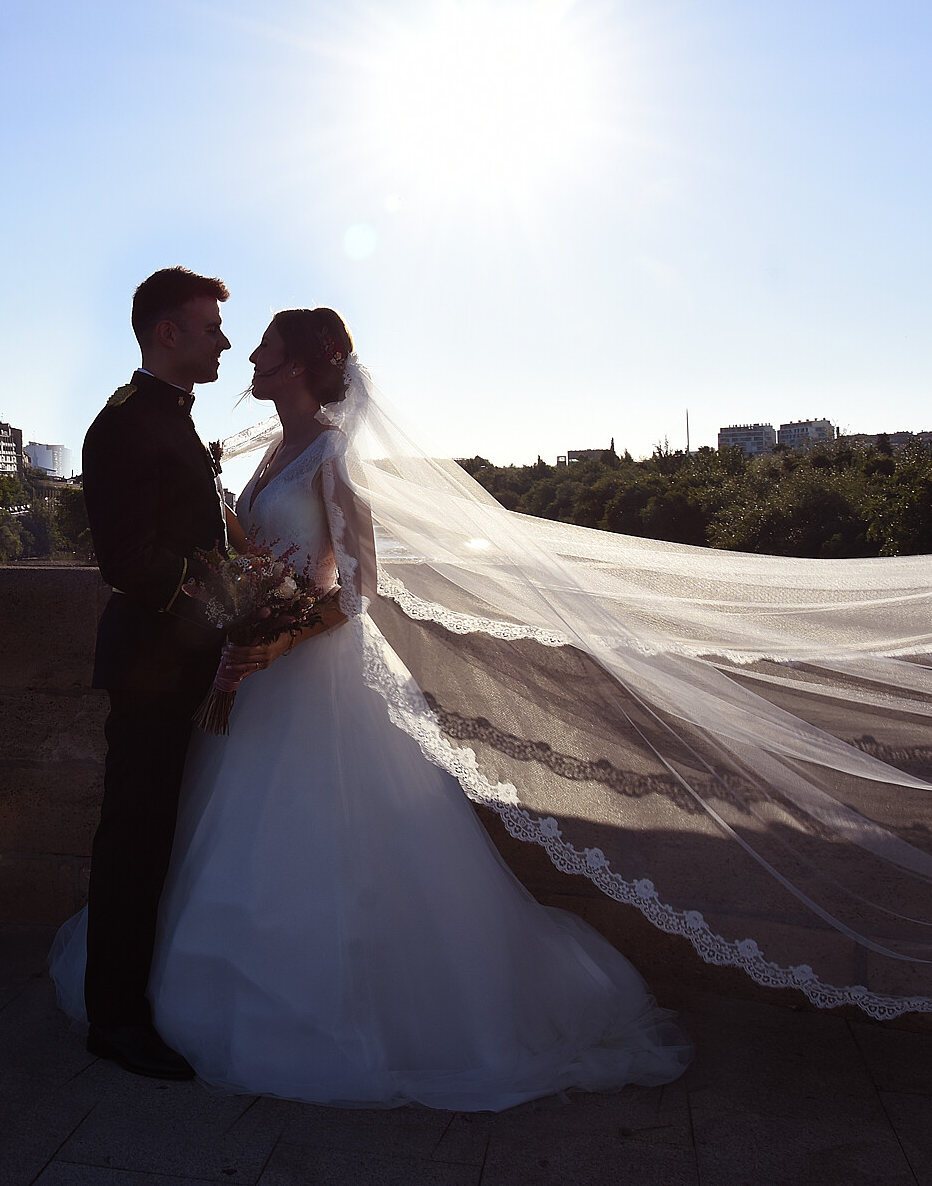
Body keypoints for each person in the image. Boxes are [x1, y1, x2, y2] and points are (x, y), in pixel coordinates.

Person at [55, 306, 693, 1108]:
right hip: (250, 676)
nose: (245, 351)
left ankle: (334, 1016)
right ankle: (153, 1003)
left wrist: (281, 637)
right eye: (234, 336)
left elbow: (359, 588)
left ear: (295, 367)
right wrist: (250, 612)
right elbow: (243, 556)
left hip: (309, 675)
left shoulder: (333, 455)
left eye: (264, 346)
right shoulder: (269, 452)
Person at [75, 266, 232, 1081]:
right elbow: (127, 559)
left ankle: (134, 1001)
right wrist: (223, 599)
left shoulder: (171, 419)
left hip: (183, 665)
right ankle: (116, 1020)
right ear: (166, 332)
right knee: (133, 841)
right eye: (210, 328)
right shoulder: (127, 424)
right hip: (148, 668)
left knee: (158, 835)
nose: (224, 341)